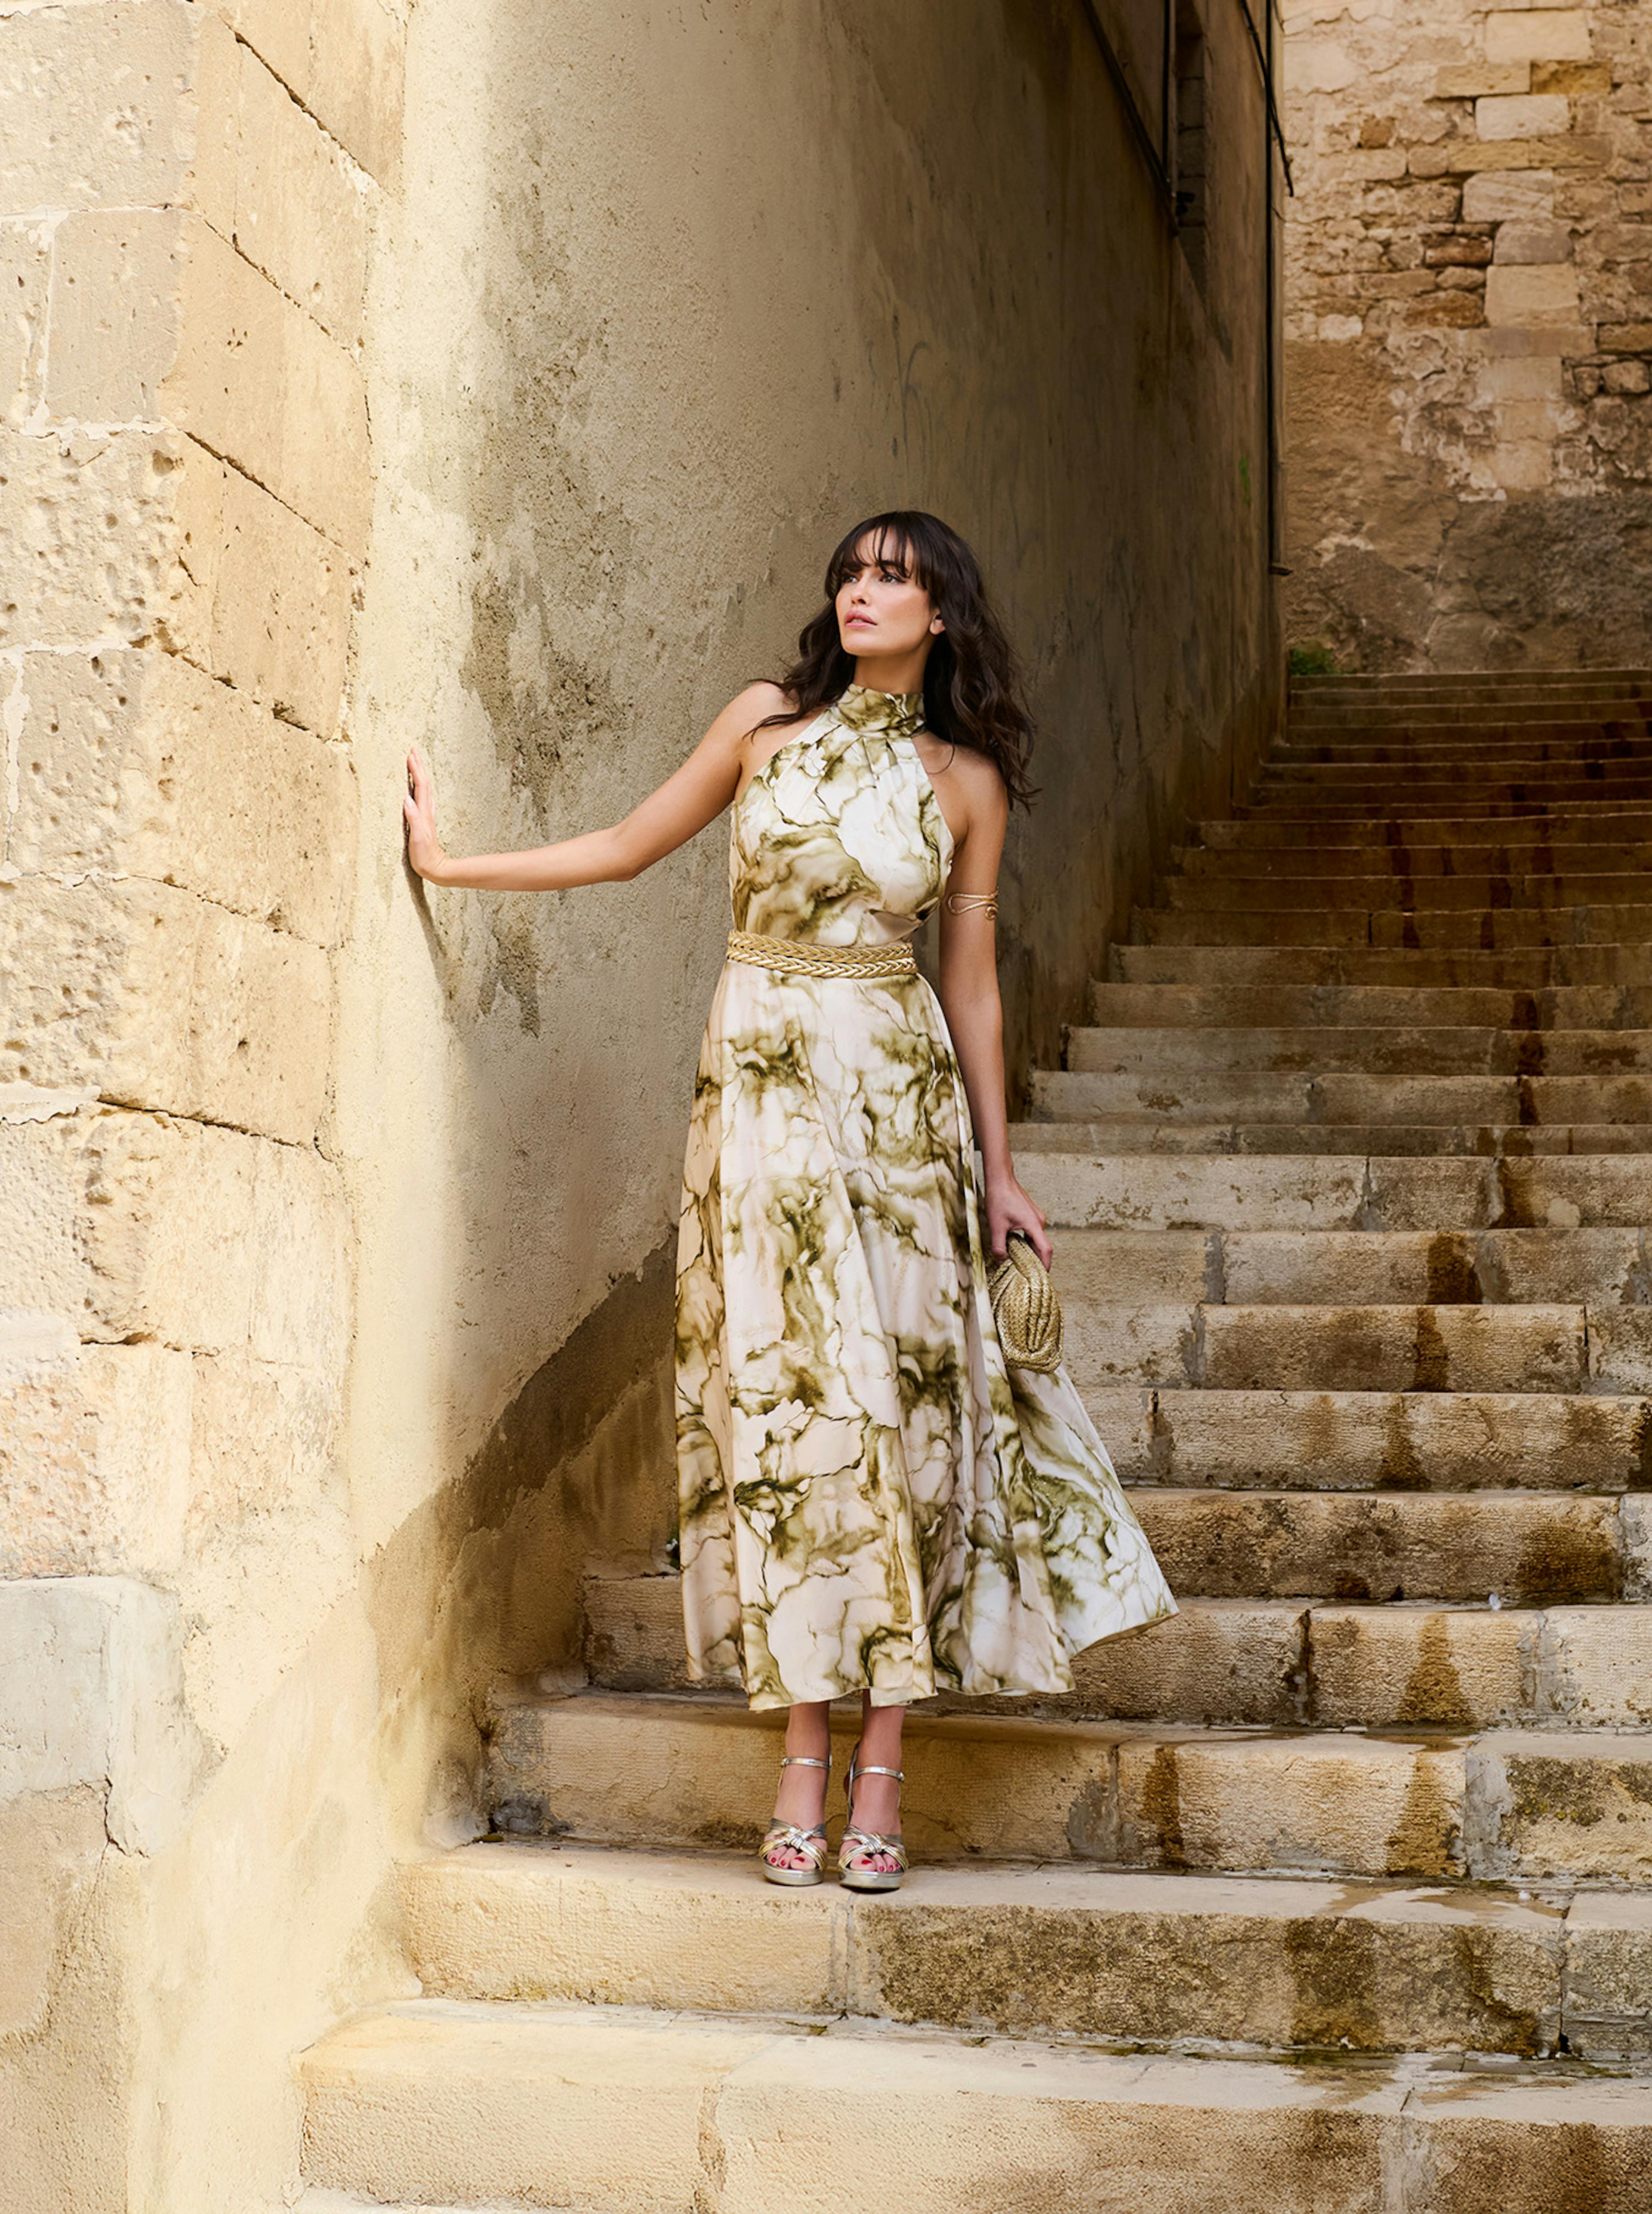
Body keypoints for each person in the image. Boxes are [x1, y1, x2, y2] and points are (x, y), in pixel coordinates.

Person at [403, 510, 1176, 1893]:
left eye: (899, 576)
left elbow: (975, 986)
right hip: (758, 1102)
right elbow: (635, 843)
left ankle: (878, 1761)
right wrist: (456, 866)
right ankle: (801, 1748)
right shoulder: (767, 723)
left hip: (896, 1107)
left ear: (945, 614)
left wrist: (1000, 1170)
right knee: (793, 1412)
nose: (865, 591)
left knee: (902, 1414)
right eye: (856, 571)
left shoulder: (966, 781)